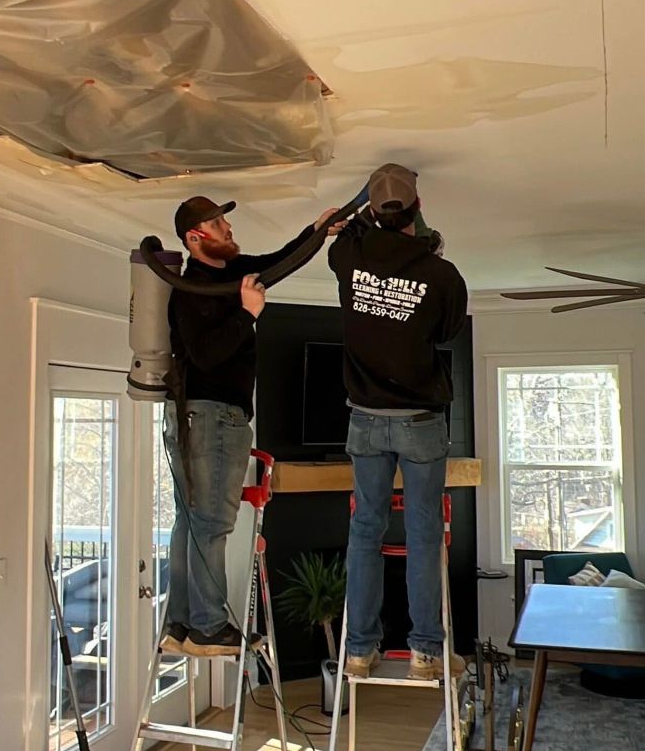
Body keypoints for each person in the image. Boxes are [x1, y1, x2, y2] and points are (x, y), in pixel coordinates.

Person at [163, 194, 343, 657]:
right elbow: (205, 354)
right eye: (218, 223)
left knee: (192, 520)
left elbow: (278, 261)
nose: (227, 228)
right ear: (194, 237)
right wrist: (248, 315)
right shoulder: (189, 289)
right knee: (211, 523)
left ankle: (181, 623)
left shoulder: (229, 273)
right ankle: (207, 626)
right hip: (212, 416)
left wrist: (317, 229)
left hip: (198, 417)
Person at [328, 163, 468, 680]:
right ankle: (427, 653)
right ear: (417, 211)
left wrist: (356, 221)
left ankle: (360, 652)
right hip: (419, 421)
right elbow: (448, 332)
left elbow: (344, 237)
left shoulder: (348, 256)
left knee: (365, 531)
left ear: (372, 214)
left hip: (364, 420)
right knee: (424, 531)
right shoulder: (442, 275)